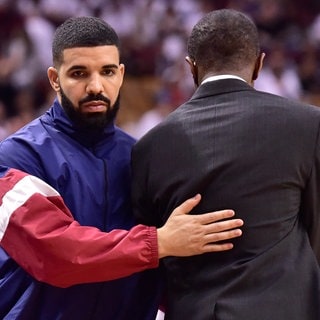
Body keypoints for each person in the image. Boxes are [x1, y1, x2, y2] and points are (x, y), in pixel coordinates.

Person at [0, 16, 244, 320]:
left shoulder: (142, 156)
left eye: (107, 72)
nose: (95, 86)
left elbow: (174, 272)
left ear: (122, 74)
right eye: (79, 73)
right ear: (54, 78)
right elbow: (56, 254)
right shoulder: (15, 157)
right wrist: (159, 242)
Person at [131, 8, 320, 320]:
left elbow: (153, 258)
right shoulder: (308, 125)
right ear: (259, 64)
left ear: (190, 68)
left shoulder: (148, 147)